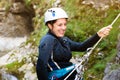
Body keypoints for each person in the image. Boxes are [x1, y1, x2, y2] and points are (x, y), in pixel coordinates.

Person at [36, 7, 112, 80]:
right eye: (60, 25)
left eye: (65, 24)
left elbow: (82, 47)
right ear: (50, 25)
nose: (64, 28)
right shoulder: (47, 40)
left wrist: (98, 35)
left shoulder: (64, 40)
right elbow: (41, 66)